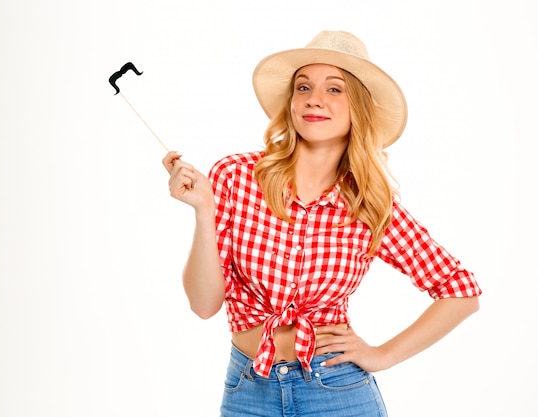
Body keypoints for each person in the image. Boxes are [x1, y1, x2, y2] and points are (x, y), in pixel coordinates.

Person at [162, 31, 481, 417]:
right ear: (291, 102)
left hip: (337, 390)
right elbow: (203, 304)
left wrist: (381, 355)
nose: (314, 99)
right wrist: (203, 211)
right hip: (248, 392)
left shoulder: (369, 203)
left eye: (334, 89)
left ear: (358, 108)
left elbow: (461, 291)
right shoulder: (236, 177)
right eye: (303, 87)